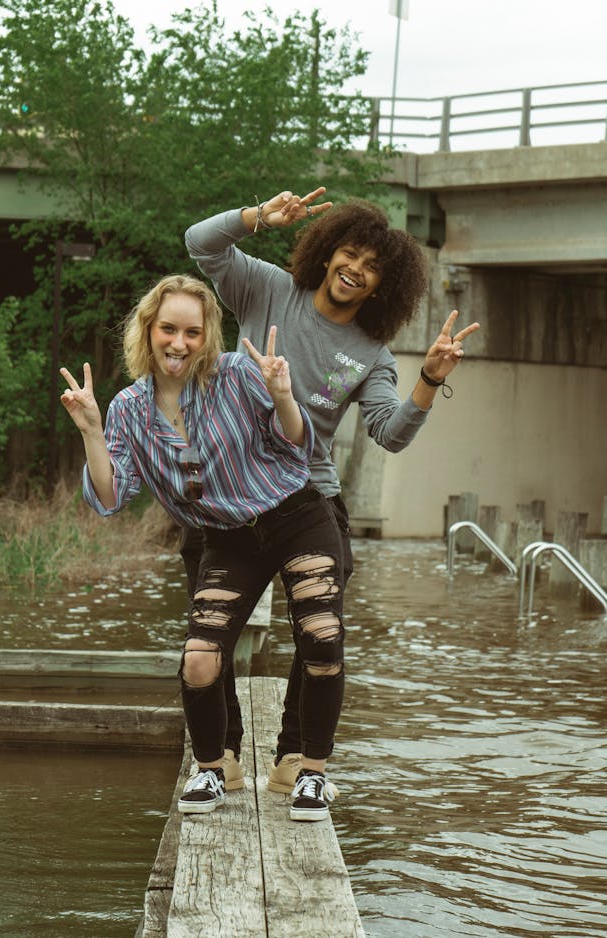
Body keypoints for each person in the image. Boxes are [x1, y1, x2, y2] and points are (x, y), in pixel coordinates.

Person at [184, 187, 480, 794]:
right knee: (209, 639)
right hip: (228, 496)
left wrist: (427, 379)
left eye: (372, 269)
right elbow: (200, 243)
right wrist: (260, 216)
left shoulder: (371, 354)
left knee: (320, 631)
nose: (356, 270)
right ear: (327, 254)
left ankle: (297, 758)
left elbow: (390, 434)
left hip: (307, 499)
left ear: (381, 288)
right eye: (350, 254)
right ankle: (223, 759)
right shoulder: (267, 289)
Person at [60, 273, 347, 822]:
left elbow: (297, 442)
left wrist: (284, 395)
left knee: (321, 635)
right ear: (148, 331)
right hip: (227, 535)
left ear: (207, 334)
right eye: (168, 329)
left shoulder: (239, 374)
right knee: (199, 657)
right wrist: (92, 432)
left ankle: (312, 773)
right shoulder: (126, 409)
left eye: (192, 332)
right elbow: (110, 495)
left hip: (296, 516)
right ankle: (215, 770)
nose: (179, 343)